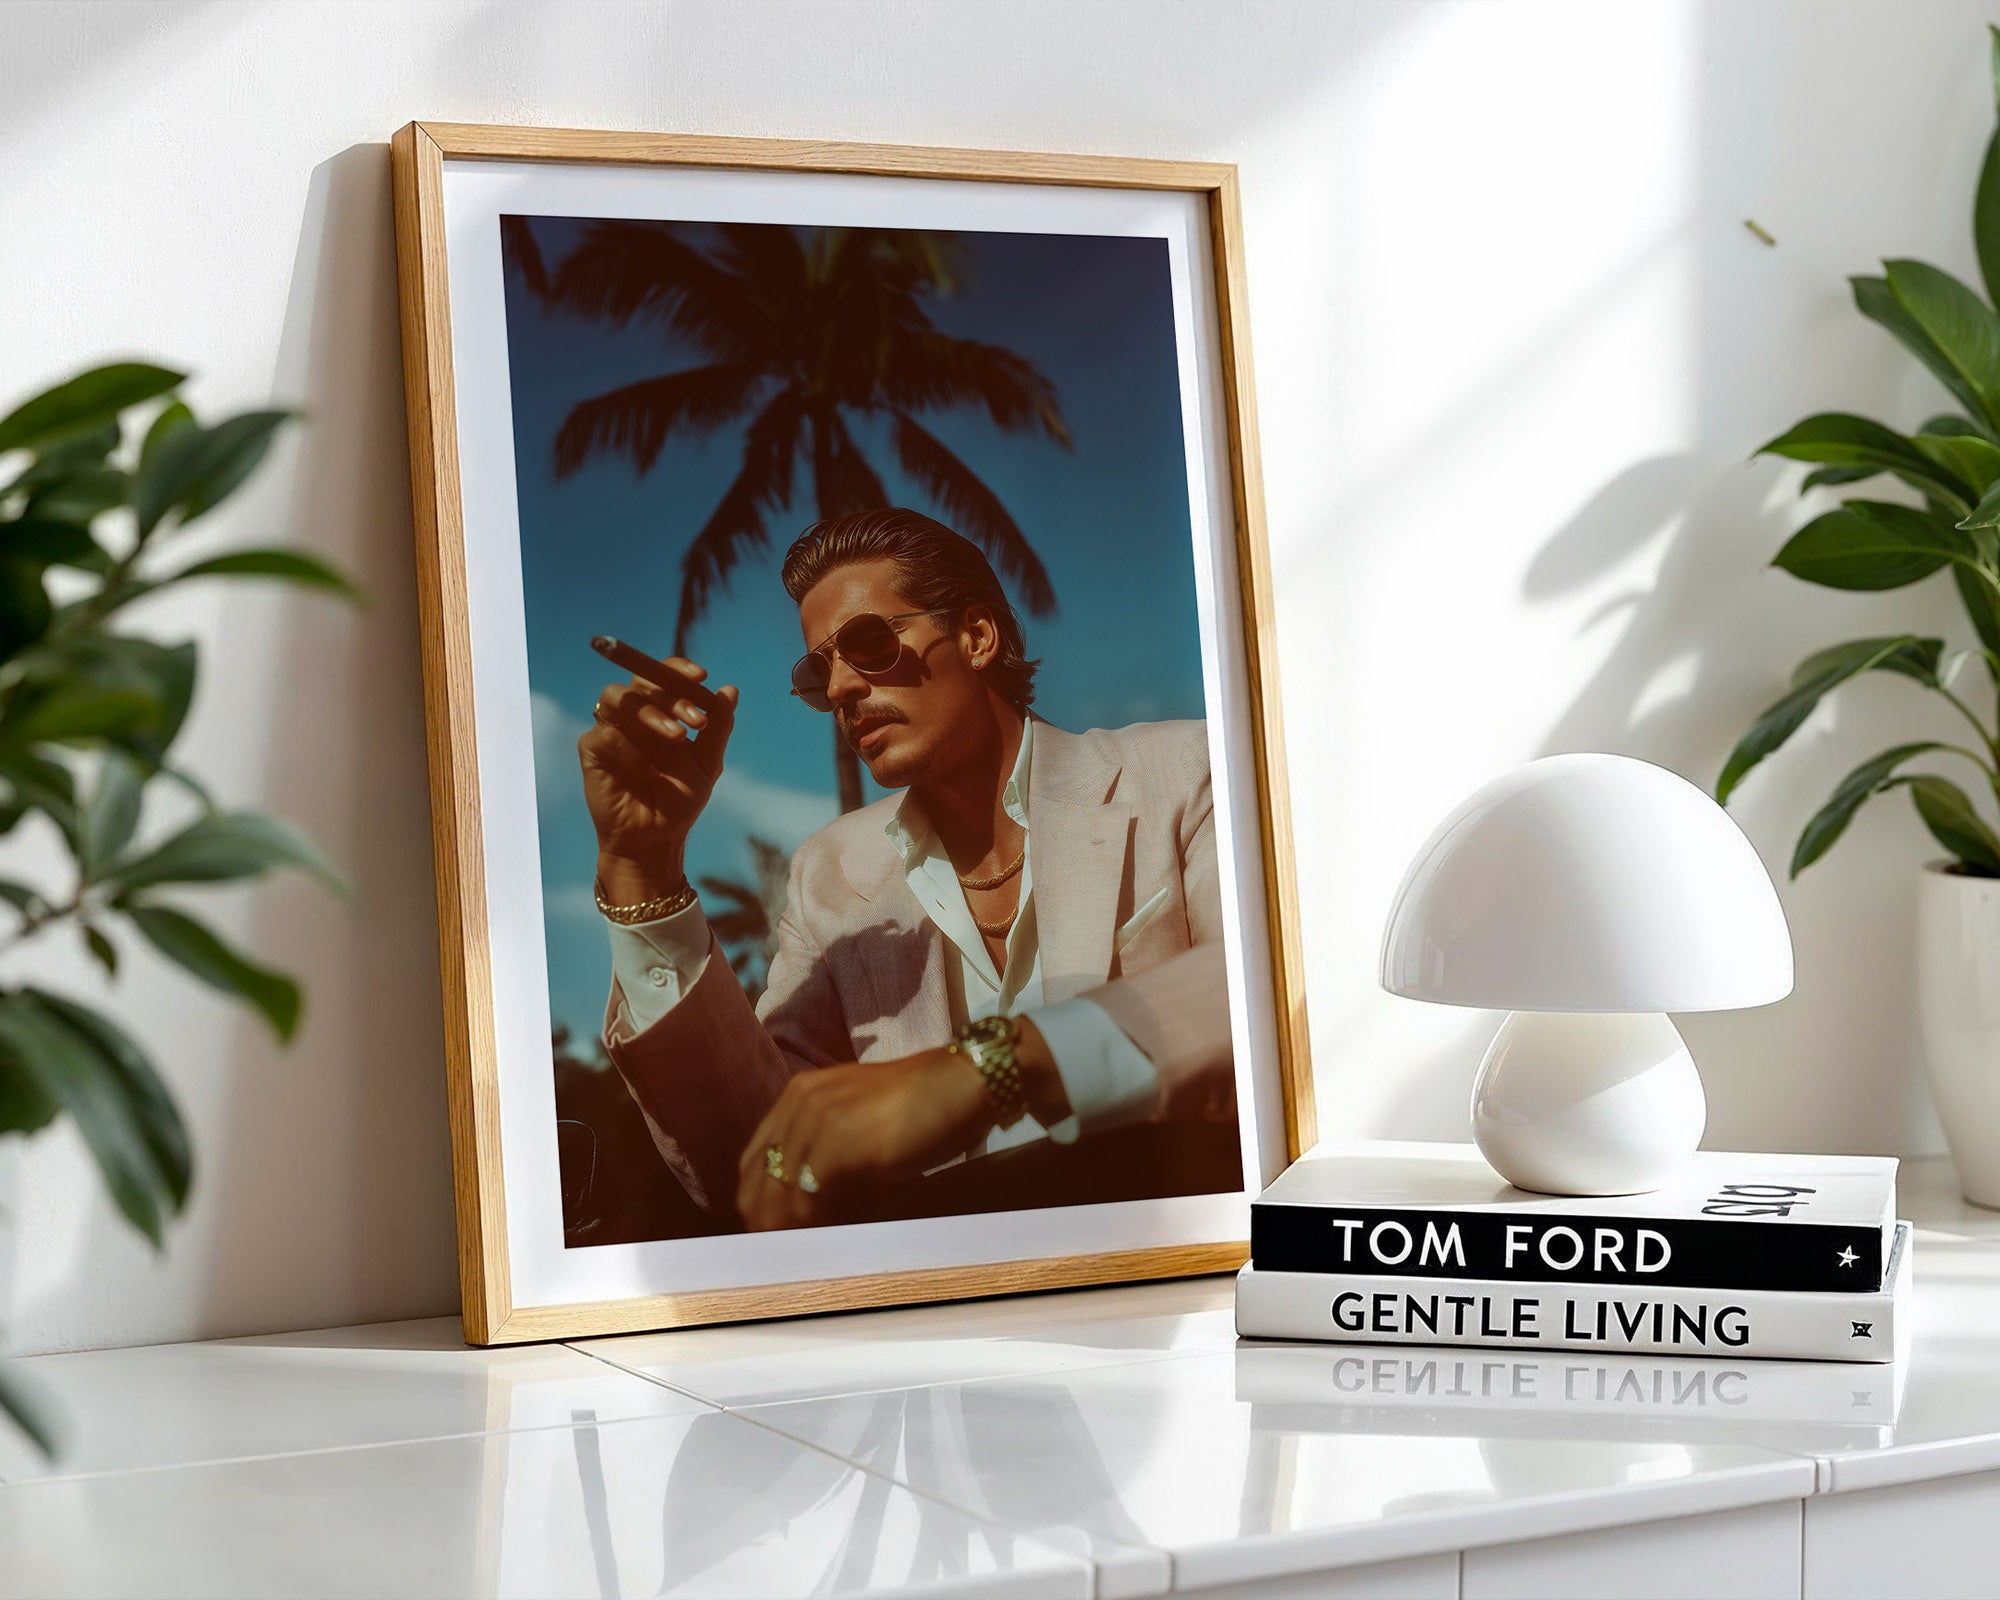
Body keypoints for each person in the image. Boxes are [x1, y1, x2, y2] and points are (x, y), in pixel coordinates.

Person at [580, 507, 1233, 1231]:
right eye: (816, 670)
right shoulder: (830, 874)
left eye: (867, 643)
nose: (839, 689)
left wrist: (994, 1069)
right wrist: (645, 869)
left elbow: (1267, 990)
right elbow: (761, 1160)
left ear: (977, 636)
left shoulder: (1185, 773)